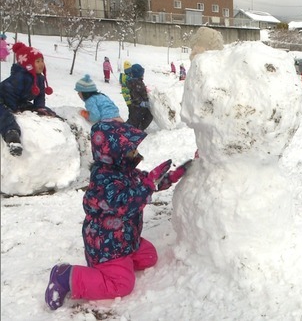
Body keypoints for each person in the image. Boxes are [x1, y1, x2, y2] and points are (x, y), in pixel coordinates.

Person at [45, 120, 193, 310]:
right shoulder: (103, 180)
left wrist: (168, 178)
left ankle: (124, 260)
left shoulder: (125, 170)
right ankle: (65, 276)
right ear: (114, 153)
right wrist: (147, 184)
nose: (136, 155)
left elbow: (144, 185)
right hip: (106, 246)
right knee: (122, 285)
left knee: (149, 257)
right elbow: (124, 204)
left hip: (124, 238)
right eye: (131, 151)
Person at [0, 42, 55, 156]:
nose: (41, 64)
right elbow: (8, 91)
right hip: (3, 98)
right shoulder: (19, 77)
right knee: (4, 114)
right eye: (37, 61)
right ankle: (12, 135)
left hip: (19, 100)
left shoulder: (39, 78)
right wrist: (14, 108)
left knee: (42, 110)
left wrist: (40, 107)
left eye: (42, 60)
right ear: (28, 64)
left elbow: (40, 95)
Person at [126, 63, 153, 130]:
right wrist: (143, 102)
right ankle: (137, 129)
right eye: (142, 73)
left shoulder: (136, 82)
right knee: (136, 121)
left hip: (136, 106)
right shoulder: (137, 83)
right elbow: (136, 94)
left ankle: (135, 128)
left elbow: (138, 92)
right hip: (138, 107)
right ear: (139, 74)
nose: (143, 75)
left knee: (133, 120)